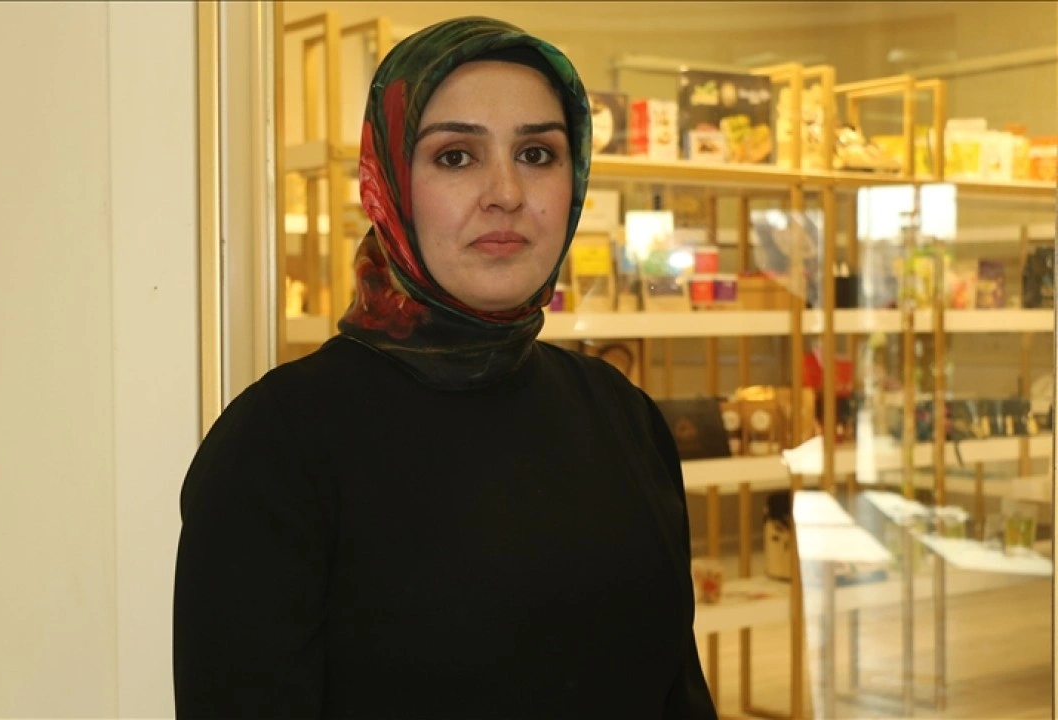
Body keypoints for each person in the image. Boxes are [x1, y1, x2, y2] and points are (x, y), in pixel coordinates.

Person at [174, 16, 718, 719]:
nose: (506, 192)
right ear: (388, 183)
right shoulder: (279, 443)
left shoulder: (621, 415)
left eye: (538, 154)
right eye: (456, 156)